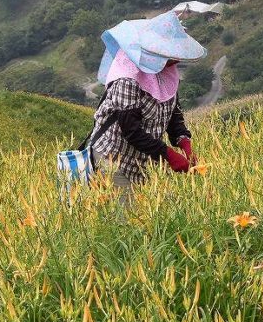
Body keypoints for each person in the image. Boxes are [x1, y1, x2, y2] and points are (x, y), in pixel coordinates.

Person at [88, 11, 207, 197]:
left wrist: (184, 141)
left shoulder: (167, 71)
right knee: (128, 220)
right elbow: (131, 130)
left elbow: (172, 112)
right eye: (170, 53)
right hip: (114, 160)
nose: (176, 59)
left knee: (157, 213)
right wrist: (168, 154)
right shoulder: (127, 78)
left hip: (146, 160)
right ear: (154, 51)